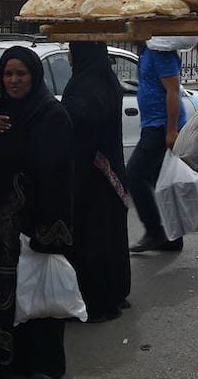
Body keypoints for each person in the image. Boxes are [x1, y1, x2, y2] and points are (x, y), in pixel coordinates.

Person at [0, 46, 73, 379]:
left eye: (21, 74)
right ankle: (1, 360)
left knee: (36, 294)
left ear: (35, 76)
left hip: (31, 224)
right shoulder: (3, 110)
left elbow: (58, 177)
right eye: (7, 74)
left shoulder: (51, 115)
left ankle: (44, 365)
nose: (13, 80)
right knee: (1, 292)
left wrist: (47, 231)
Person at [61, 42, 131, 322]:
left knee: (92, 238)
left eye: (71, 49)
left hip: (90, 176)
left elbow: (77, 124)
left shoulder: (85, 86)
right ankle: (115, 291)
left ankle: (98, 300)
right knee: (110, 234)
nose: (68, 55)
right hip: (108, 172)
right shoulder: (104, 79)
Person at [126, 37, 190, 253]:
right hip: (152, 125)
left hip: (160, 127)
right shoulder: (146, 51)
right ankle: (172, 238)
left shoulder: (159, 52)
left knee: (134, 175)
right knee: (157, 181)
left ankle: (155, 232)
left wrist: (172, 130)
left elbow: (173, 90)